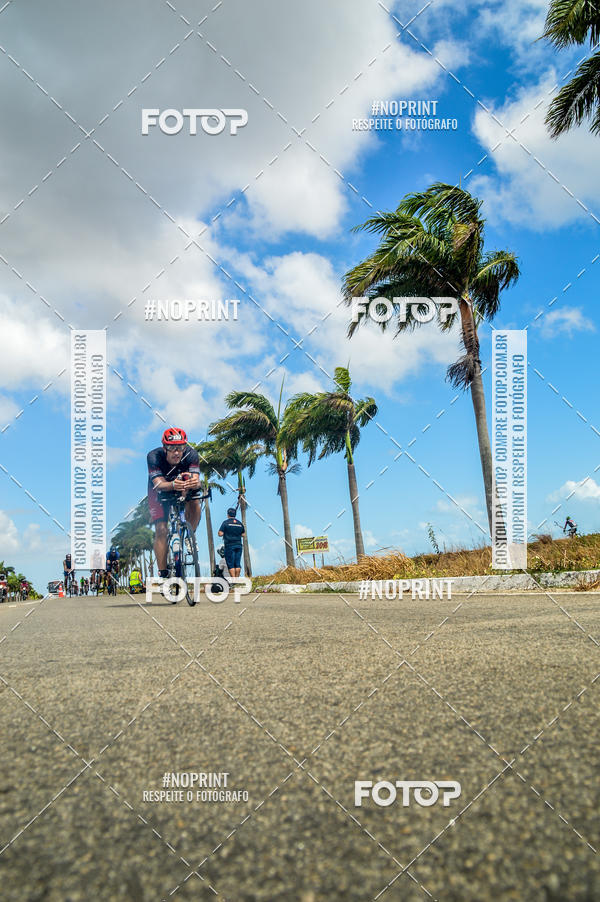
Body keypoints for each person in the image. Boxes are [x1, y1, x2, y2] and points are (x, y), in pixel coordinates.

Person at [147, 428, 202, 579]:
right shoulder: (154, 456)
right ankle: (163, 572)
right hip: (159, 490)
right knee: (161, 530)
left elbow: (196, 480)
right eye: (172, 448)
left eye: (180, 447)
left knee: (196, 500)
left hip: (182, 486)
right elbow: (158, 484)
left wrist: (194, 482)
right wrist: (172, 485)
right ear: (164, 448)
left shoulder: (191, 454)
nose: (177, 452)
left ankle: (189, 535)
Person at [218, 507, 245, 579]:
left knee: (231, 564)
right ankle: (237, 579)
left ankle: (234, 580)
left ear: (228, 515)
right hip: (239, 545)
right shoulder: (240, 523)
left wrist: (227, 533)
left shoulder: (225, 523)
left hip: (229, 545)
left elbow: (220, 533)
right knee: (237, 564)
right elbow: (243, 534)